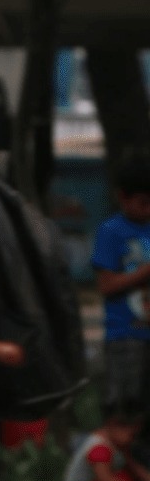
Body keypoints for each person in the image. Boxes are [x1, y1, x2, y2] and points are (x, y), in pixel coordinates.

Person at [91, 152, 150, 413]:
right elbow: (106, 285)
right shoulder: (111, 231)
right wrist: (143, 273)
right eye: (143, 203)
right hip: (125, 335)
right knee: (123, 409)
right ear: (122, 197)